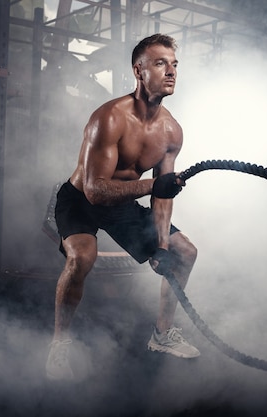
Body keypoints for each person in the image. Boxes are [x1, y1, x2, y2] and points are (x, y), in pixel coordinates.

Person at [46, 33, 199, 381]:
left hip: (123, 204)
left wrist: (161, 247)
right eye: (160, 63)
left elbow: (163, 196)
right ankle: (60, 344)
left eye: (174, 64)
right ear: (139, 70)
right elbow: (95, 190)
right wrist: (150, 185)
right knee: (81, 257)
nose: (171, 71)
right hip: (81, 198)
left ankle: (162, 335)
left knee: (185, 252)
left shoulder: (171, 132)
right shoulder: (110, 118)